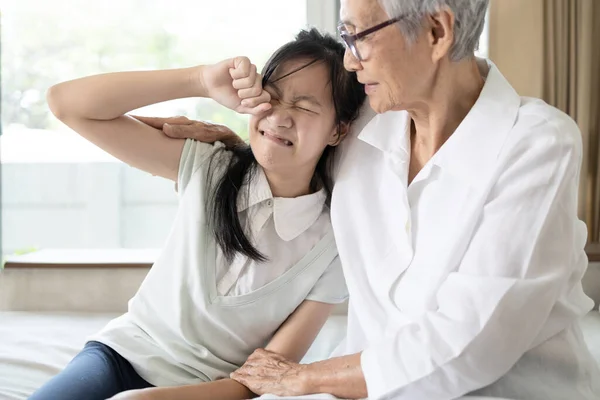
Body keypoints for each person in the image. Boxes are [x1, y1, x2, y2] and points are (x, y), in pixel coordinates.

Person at [157, 1, 600, 399]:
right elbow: (294, 143)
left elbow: (470, 345)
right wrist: (242, 152)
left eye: (358, 37)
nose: (348, 60)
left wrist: (306, 377)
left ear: (436, 33)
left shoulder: (536, 144)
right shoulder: (361, 120)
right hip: (361, 388)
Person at [34, 28, 365, 400]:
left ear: (338, 130)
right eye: (270, 98)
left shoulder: (333, 243)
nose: (279, 117)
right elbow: (66, 104)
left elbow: (266, 375)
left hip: (210, 390)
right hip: (120, 356)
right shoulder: (210, 165)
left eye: (304, 107)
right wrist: (200, 80)